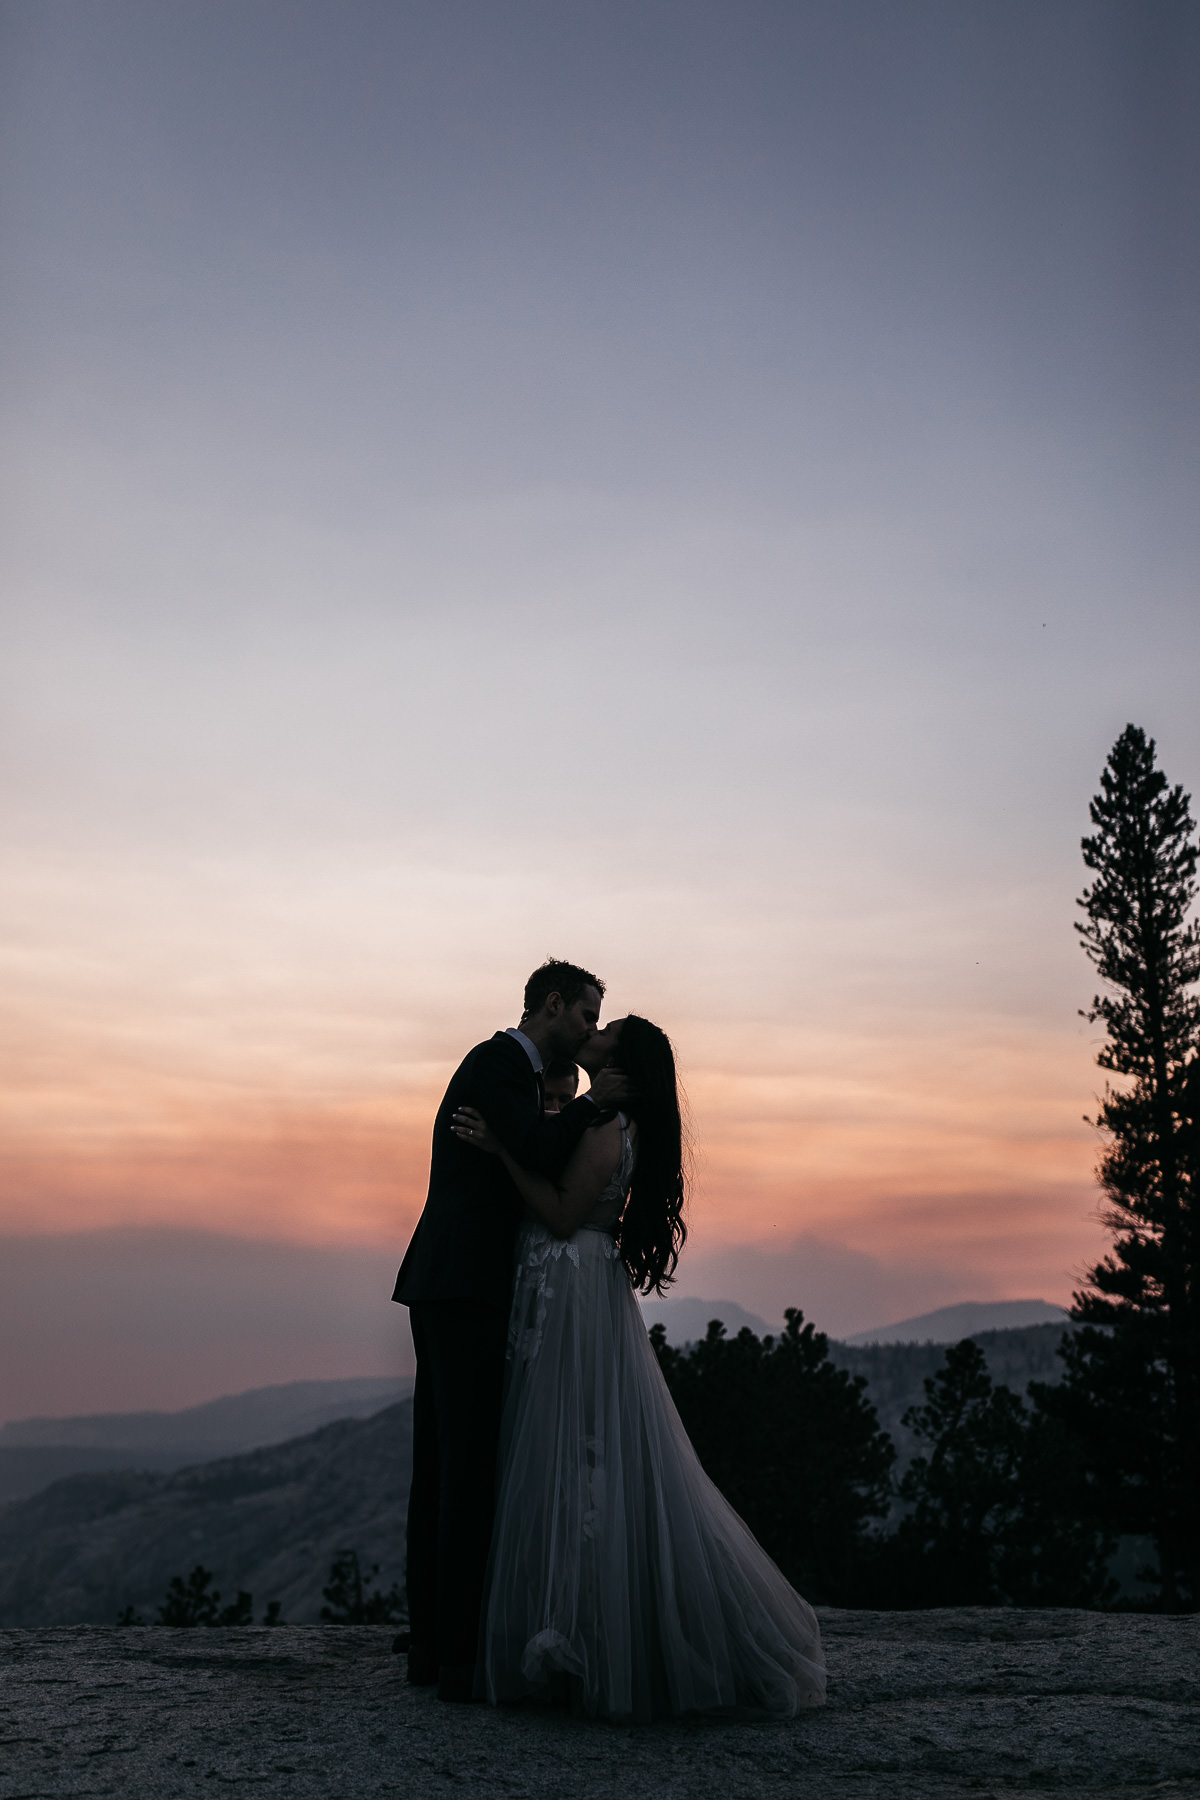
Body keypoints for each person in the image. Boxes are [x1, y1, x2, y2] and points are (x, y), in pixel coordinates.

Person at [452, 1015, 826, 1722]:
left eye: (606, 1033)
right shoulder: (600, 1120)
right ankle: (567, 1625)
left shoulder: (606, 1128)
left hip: (570, 1286)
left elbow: (563, 1213)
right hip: (570, 1284)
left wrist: (503, 1151)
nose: (591, 1035)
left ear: (620, 1063)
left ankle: (580, 1633)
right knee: (568, 1449)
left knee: (573, 1446)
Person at [392, 959, 626, 1702]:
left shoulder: (513, 1075)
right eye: (585, 1016)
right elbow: (538, 1150)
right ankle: (453, 1656)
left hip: (455, 1286)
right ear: (552, 1005)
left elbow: (525, 1146)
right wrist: (593, 1108)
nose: (588, 1031)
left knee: (449, 1464)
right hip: (462, 1287)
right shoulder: (498, 1063)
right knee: (460, 1469)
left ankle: (436, 1646)